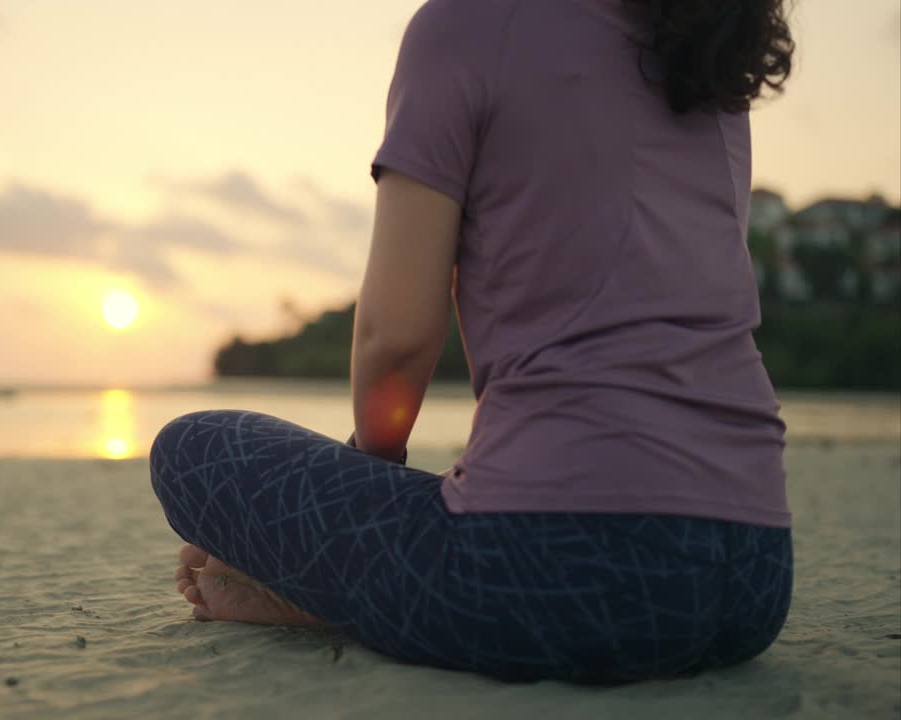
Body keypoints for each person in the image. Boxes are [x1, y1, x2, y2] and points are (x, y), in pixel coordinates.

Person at [149, 0, 796, 683]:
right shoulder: (707, 45)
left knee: (189, 450)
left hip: (570, 570)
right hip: (754, 575)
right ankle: (367, 597)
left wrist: (363, 493)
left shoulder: (470, 24)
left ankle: (324, 597)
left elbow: (395, 337)